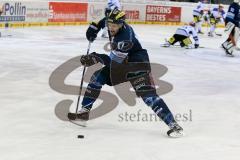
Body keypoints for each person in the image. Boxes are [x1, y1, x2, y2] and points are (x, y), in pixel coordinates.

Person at [68, 8, 184, 138]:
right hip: (122, 63)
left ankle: (174, 125)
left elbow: (113, 63)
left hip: (137, 64)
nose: (111, 28)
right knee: (97, 77)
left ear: (121, 24)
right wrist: (93, 29)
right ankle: (84, 112)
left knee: (149, 97)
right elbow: (102, 22)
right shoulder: (111, 22)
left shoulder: (124, 39)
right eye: (109, 25)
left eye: (114, 26)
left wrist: (95, 57)